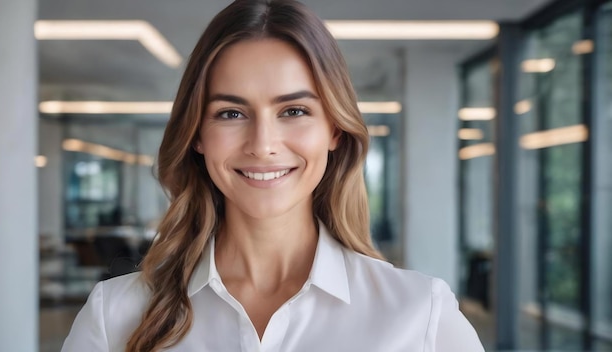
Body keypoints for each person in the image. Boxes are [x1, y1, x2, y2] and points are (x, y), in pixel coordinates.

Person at [62, 0, 485, 351]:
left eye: (294, 111)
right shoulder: (114, 314)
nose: (263, 144)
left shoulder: (420, 315)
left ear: (334, 129)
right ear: (197, 136)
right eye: (231, 113)